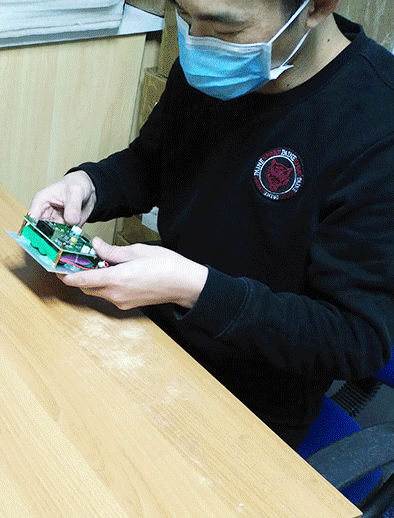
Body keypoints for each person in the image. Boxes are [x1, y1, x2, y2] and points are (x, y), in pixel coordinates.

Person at [28, 0, 394, 448]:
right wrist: (90, 185)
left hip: (251, 403)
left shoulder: (378, 126)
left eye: (225, 30)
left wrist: (195, 289)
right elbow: (152, 164)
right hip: (149, 335)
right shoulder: (210, 67)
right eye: (185, 16)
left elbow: (355, 339)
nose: (198, 43)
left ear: (316, 7)